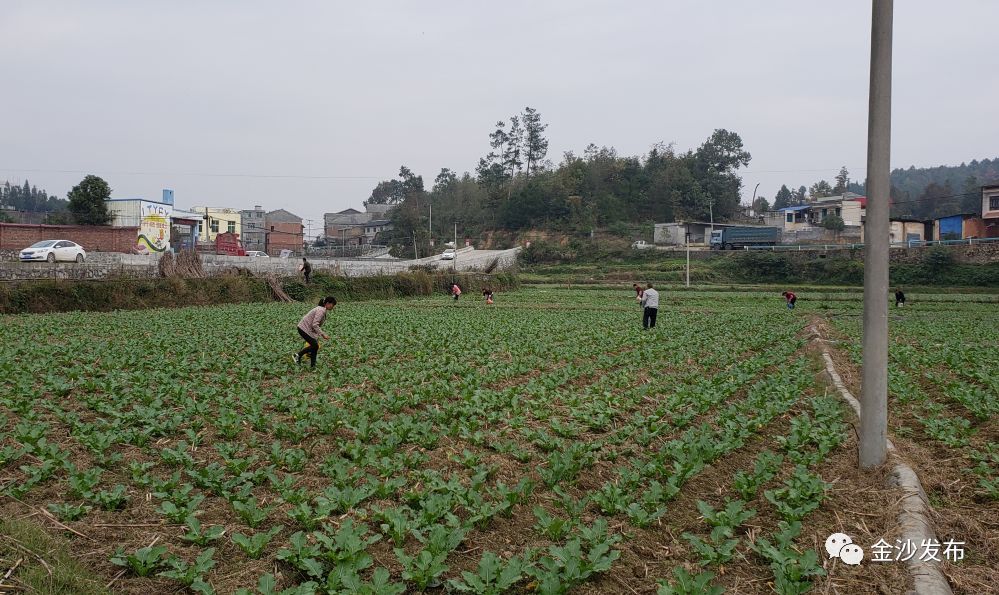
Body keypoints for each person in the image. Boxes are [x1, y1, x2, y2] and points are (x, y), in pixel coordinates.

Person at [294, 296, 335, 368]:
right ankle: (298, 355)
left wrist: (316, 336)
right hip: (303, 328)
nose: (333, 307)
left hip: (305, 328)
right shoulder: (321, 310)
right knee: (315, 345)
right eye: (332, 305)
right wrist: (323, 334)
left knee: (315, 346)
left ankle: (313, 366)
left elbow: (315, 325)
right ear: (328, 303)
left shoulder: (322, 309)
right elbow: (315, 324)